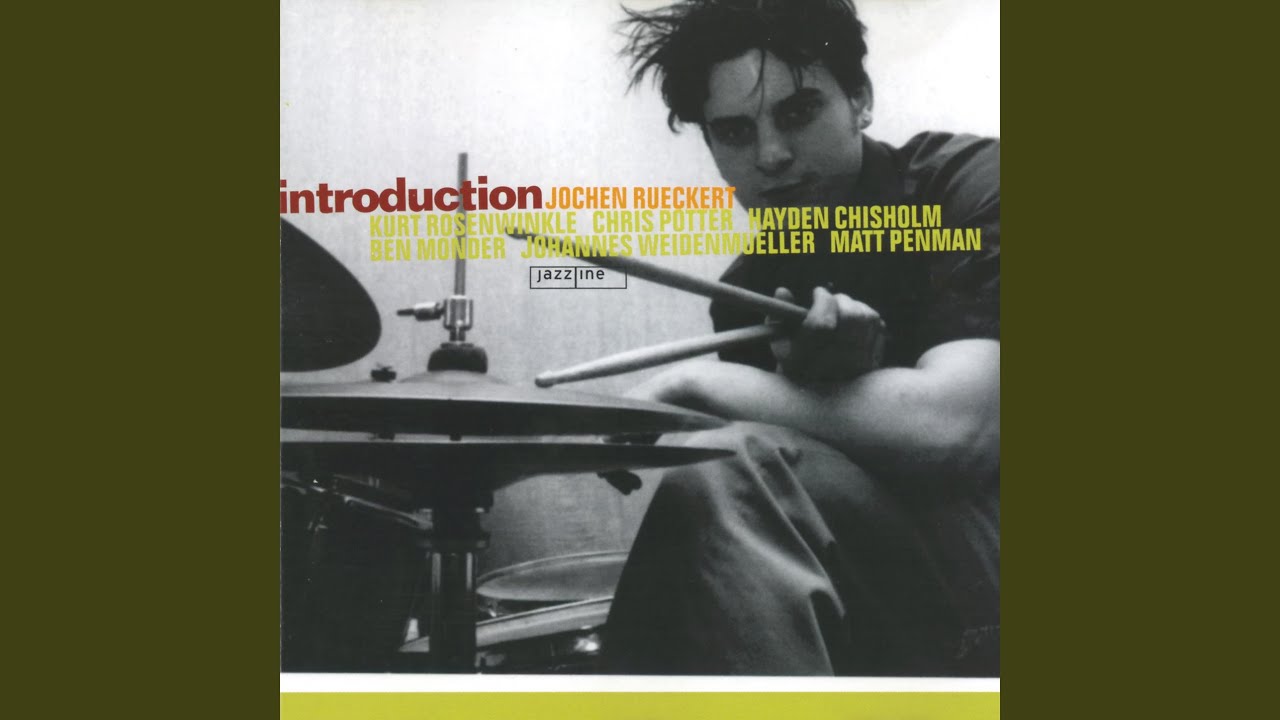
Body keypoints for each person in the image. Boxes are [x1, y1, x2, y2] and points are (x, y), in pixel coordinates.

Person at [601, 0, 1000, 676]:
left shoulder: (971, 184)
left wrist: (700, 384)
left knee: (729, 465)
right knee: (718, 481)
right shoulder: (749, 289)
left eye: (798, 113)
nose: (771, 156)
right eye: (734, 132)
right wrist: (827, 389)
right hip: (904, 598)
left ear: (860, 100)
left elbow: (961, 432)